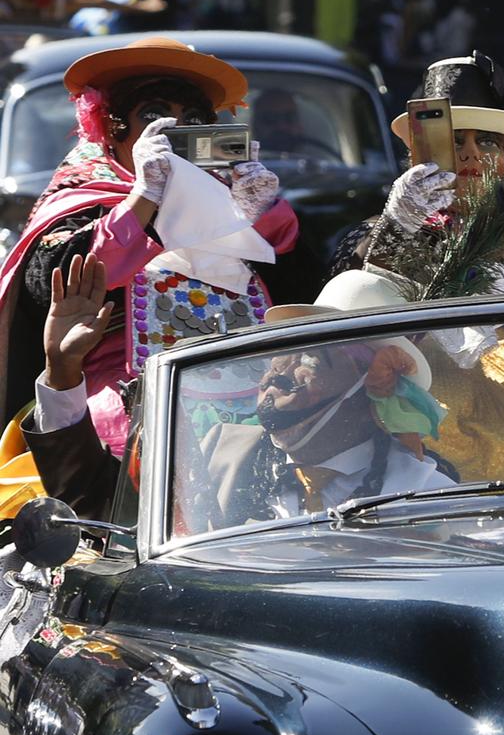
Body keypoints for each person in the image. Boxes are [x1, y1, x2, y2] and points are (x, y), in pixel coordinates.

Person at [0, 36, 299, 452]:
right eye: (155, 117)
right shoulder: (83, 196)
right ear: (114, 132)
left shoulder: (230, 198)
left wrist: (250, 215)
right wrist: (144, 197)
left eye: (193, 120)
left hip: (251, 391)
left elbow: (299, 296)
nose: (176, 131)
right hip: (121, 404)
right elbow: (58, 276)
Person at [21, 254, 453, 524]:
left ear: (370, 388)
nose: (278, 370)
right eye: (284, 349)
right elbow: (98, 512)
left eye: (311, 358)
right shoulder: (219, 451)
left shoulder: (429, 494)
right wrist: (62, 370)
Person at [345, 52, 504, 299]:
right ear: (418, 155)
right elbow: (348, 308)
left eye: (487, 141)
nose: (472, 153)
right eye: (454, 141)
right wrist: (396, 228)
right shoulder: (376, 231)